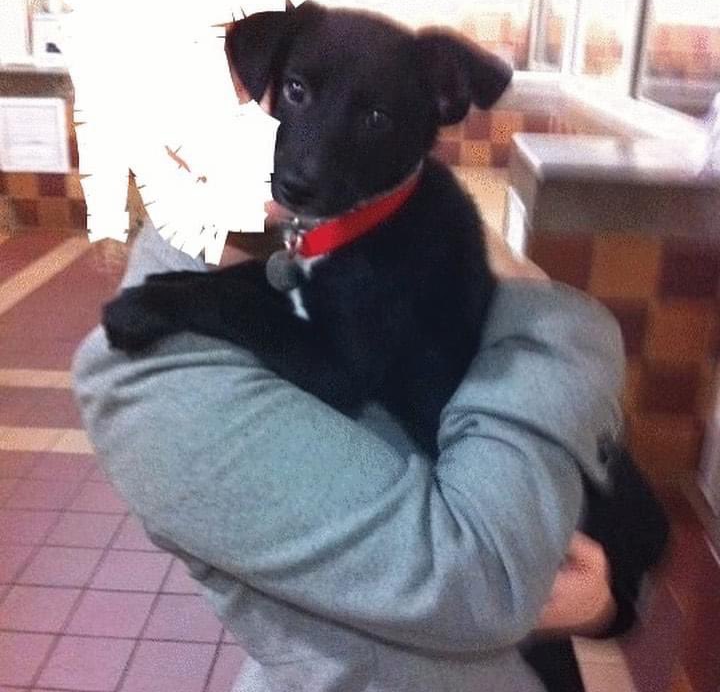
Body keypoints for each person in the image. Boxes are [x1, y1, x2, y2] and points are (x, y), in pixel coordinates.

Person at [72, 219, 624, 692]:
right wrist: (541, 314)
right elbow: (482, 579)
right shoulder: (159, 367)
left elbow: (622, 524)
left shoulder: (386, 240)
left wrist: (599, 604)